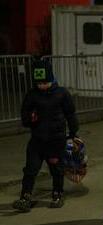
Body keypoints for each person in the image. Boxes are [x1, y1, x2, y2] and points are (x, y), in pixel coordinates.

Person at [13, 59, 79, 212]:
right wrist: (30, 118)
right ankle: (26, 196)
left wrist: (73, 133)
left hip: (56, 141)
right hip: (37, 140)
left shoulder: (62, 93)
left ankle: (57, 194)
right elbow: (24, 115)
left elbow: (70, 114)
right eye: (38, 83)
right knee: (30, 169)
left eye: (44, 82)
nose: (41, 85)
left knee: (56, 168)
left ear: (51, 78)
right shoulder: (32, 94)